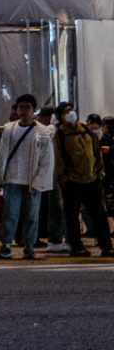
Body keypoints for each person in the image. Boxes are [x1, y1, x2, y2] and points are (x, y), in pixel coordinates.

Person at [0, 94, 55, 260]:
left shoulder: (42, 131)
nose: (23, 111)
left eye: (27, 107)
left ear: (33, 110)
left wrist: (40, 181)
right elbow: (1, 155)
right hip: (12, 179)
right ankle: (5, 246)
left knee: (31, 217)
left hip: (32, 181)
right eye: (21, 107)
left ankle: (29, 247)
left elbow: (47, 160)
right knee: (10, 215)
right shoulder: (8, 129)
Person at [56, 104, 111, 257]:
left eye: (71, 111)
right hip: (72, 180)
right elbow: (58, 157)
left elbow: (95, 150)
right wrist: (63, 178)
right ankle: (76, 245)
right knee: (72, 215)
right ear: (60, 115)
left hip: (91, 179)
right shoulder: (59, 134)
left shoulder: (84, 129)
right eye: (66, 112)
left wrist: (99, 172)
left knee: (99, 213)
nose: (70, 114)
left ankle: (106, 245)